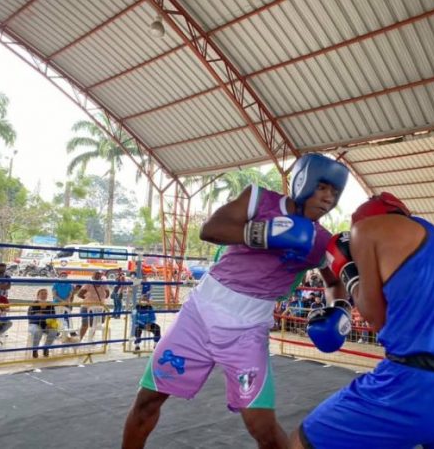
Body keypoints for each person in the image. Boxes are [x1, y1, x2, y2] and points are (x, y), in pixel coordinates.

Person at [122, 153, 349, 449]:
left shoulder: (322, 241)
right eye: (322, 187)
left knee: (263, 428)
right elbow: (211, 229)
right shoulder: (259, 200)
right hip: (199, 316)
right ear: (303, 181)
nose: (328, 198)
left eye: (334, 192)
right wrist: (264, 234)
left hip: (248, 331)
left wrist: (339, 308)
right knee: (147, 402)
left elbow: (334, 282)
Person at [293, 193, 434, 448]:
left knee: (300, 443)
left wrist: (348, 270)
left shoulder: (367, 230)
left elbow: (375, 318)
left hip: (414, 384)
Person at [77, 271, 110, 340]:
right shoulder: (89, 283)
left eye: (99, 274)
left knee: (94, 324)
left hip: (98, 307)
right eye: (96, 274)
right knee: (85, 324)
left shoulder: (104, 284)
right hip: (87, 307)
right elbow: (79, 294)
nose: (98, 276)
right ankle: (80, 339)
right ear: (93, 275)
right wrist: (89, 299)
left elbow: (107, 294)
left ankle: (90, 339)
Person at [28, 288, 59, 358]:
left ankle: (46, 348)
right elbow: (33, 316)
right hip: (34, 324)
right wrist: (45, 315)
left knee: (54, 331)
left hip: (46, 325)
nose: (44, 295)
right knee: (38, 331)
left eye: (45, 294)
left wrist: (49, 324)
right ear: (38, 295)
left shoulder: (50, 305)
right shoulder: (34, 304)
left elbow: (54, 316)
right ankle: (35, 349)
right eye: (42, 294)